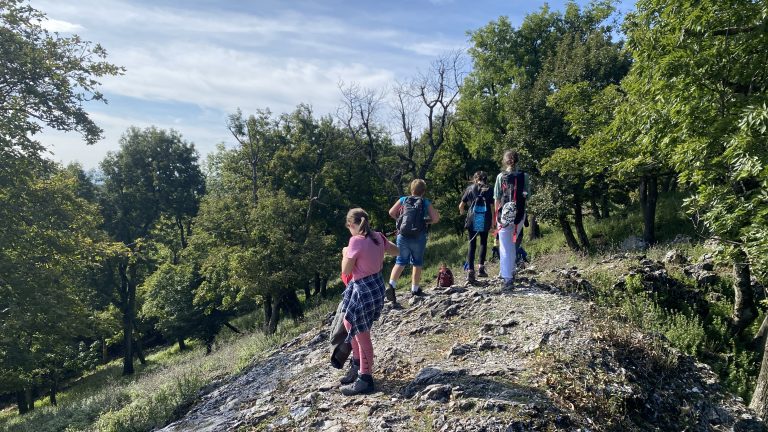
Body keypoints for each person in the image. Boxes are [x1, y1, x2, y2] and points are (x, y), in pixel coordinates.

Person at [339, 208, 399, 396]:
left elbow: (347, 270)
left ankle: (365, 379)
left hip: (363, 290)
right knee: (349, 322)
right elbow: (396, 251)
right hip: (375, 286)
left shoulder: (355, 241)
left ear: (351, 225)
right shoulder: (377, 237)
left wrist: (345, 253)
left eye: (349, 227)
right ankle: (357, 366)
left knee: (361, 334)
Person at [386, 179, 440, 302]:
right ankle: (415, 289)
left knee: (400, 261)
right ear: (423, 191)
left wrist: (399, 220)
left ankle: (391, 286)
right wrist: (426, 221)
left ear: (411, 189)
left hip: (403, 235)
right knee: (417, 262)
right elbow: (436, 218)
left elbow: (391, 212)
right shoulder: (425, 202)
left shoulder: (403, 200)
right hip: (419, 236)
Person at [493, 150, 530, 290]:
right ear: (518, 160)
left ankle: (507, 278)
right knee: (513, 243)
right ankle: (511, 271)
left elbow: (497, 198)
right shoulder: (524, 176)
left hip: (504, 215)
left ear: (505, 161)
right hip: (519, 215)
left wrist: (496, 216)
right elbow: (528, 195)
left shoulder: (500, 176)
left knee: (504, 246)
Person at [459, 171, 494, 282]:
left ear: (475, 179)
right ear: (485, 179)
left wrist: (462, 212)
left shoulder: (469, 188)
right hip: (484, 219)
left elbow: (461, 205)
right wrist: (493, 222)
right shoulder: (489, 189)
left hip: (472, 219)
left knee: (472, 244)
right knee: (483, 242)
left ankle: (470, 271)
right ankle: (481, 269)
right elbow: (492, 207)